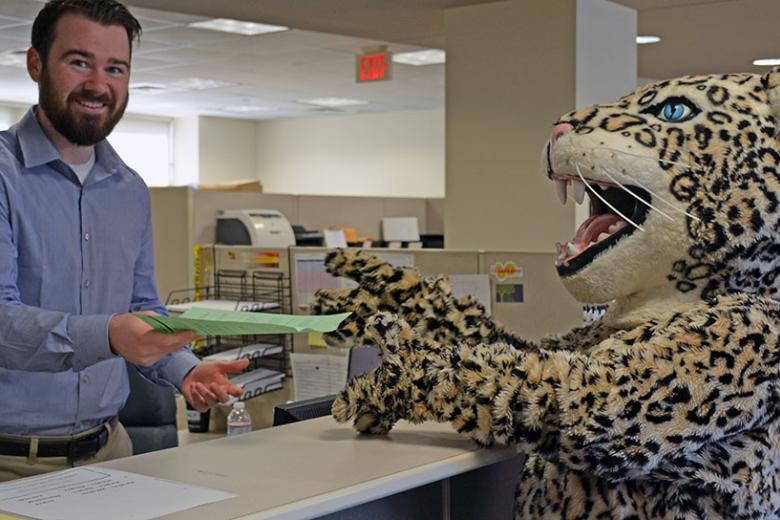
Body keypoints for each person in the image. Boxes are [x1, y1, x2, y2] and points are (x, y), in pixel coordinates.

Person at [0, 0, 249, 481]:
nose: (98, 84)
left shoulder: (129, 189)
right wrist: (111, 334)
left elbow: (142, 305)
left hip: (111, 453)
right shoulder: (4, 175)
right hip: (10, 466)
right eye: (79, 63)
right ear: (36, 64)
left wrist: (185, 370)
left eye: (115, 68)